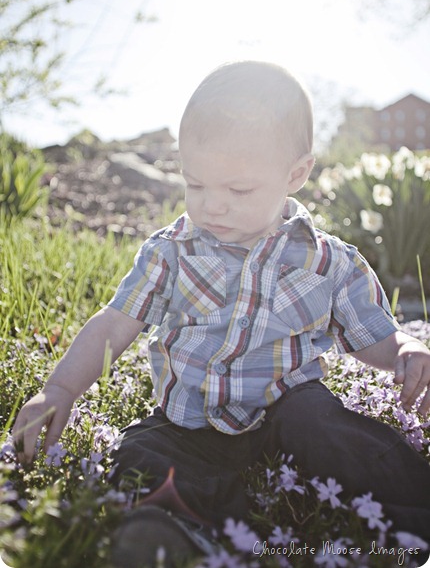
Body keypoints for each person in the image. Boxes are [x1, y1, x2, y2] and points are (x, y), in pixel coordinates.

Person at [13, 61, 430, 567]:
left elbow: (371, 336)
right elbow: (115, 322)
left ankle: (416, 511)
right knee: (137, 454)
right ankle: (194, 534)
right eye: (196, 184)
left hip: (288, 410)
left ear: (295, 174)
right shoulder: (171, 251)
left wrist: (404, 349)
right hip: (188, 419)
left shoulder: (329, 261)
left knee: (332, 432)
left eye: (237, 191)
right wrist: (58, 390)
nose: (212, 206)